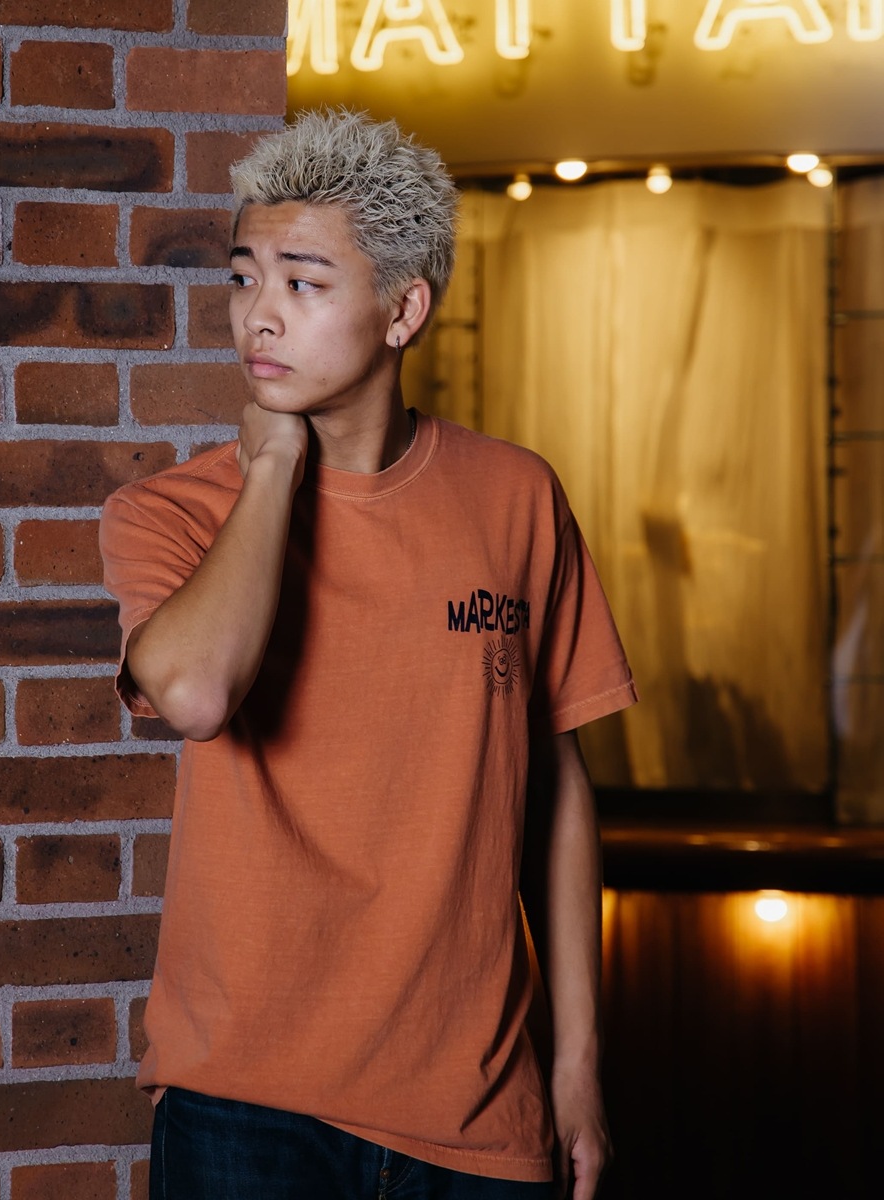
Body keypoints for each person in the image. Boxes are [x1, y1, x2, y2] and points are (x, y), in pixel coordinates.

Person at [100, 109, 637, 1200]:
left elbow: (558, 793)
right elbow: (196, 694)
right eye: (243, 278)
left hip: (476, 1115)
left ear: (403, 310)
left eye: (302, 283)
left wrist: (577, 1068)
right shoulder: (168, 513)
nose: (258, 314)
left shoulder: (517, 499)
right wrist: (271, 472)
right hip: (245, 1107)